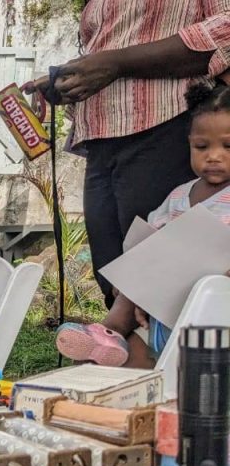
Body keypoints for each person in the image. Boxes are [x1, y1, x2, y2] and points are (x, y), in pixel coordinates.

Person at [32, 0, 230, 306]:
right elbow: (109, 47)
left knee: (163, 289)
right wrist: (72, 79)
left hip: (168, 129)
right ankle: (118, 342)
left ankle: (169, 346)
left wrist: (115, 64)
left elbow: (226, 27)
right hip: (102, 139)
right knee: (114, 280)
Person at [56, 81, 230, 368]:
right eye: (201, 146)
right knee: (125, 372)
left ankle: (111, 333)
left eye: (227, 146)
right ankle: (109, 335)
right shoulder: (179, 196)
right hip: (161, 311)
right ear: (189, 143)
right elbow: (146, 239)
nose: (213, 156)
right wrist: (133, 278)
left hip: (215, 315)